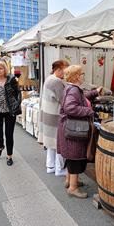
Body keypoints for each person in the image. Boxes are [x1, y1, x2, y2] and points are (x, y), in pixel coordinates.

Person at [57, 65, 102, 198]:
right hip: (73, 129)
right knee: (75, 157)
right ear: (76, 76)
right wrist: (89, 111)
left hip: (69, 128)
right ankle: (73, 187)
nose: (83, 76)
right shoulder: (73, 90)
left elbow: (82, 98)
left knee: (71, 156)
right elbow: (70, 107)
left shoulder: (72, 88)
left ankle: (69, 180)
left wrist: (95, 92)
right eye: (82, 74)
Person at [41, 60, 69, 176]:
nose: (66, 74)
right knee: (59, 143)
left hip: (48, 115)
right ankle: (59, 168)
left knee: (51, 143)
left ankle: (50, 166)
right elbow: (64, 100)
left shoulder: (49, 78)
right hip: (54, 116)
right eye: (65, 71)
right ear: (58, 70)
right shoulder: (56, 81)